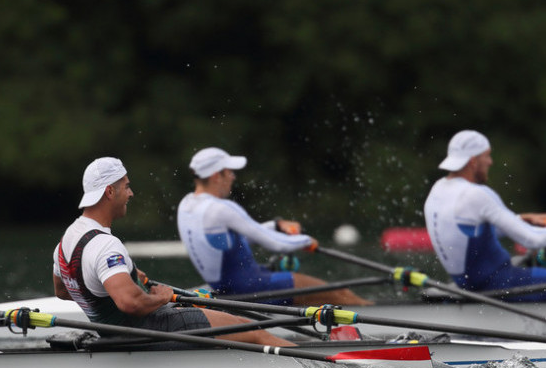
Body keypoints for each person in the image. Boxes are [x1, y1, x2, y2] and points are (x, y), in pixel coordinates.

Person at [52, 157, 293, 347]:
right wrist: (161, 297)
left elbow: (63, 290)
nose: (131, 193)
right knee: (252, 330)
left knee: (234, 322)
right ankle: (325, 366)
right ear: (109, 192)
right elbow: (129, 303)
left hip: (116, 333)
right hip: (151, 328)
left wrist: (129, 279)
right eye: (126, 186)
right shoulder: (106, 246)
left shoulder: (65, 242)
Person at [423, 131, 546, 302]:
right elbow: (531, 240)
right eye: (487, 156)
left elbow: (471, 232)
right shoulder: (477, 195)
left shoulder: (437, 191)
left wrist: (524, 219)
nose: (490, 162)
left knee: (528, 265)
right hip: (497, 281)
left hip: (467, 283)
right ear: (473, 161)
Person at [176, 147, 371, 306]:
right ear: (216, 175)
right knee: (341, 295)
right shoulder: (221, 209)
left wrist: (276, 225)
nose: (233, 177)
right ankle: (373, 319)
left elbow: (235, 240)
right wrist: (305, 240)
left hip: (226, 285)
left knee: (324, 295)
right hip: (252, 286)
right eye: (229, 172)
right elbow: (275, 244)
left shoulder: (186, 206)